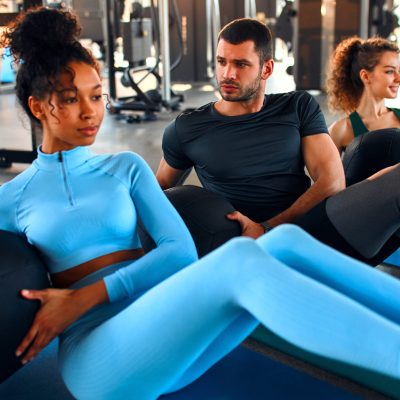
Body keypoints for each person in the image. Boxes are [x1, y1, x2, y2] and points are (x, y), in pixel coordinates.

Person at [3, 8, 400, 399]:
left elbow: (180, 254)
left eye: (96, 96)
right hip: (98, 349)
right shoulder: (12, 197)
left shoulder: (125, 166)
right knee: (243, 259)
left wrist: (82, 296)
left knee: (283, 245)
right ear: (39, 107)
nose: (91, 112)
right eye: (72, 99)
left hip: (165, 320)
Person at [156, 18, 345, 231]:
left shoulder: (297, 106)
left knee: (384, 150)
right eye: (221, 62)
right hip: (234, 241)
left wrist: (266, 229)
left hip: (300, 231)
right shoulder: (187, 127)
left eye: (241, 64)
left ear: (267, 69)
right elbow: (158, 192)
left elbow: (333, 181)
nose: (227, 74)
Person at [327, 36, 400, 154]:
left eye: (399, 71)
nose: (398, 78)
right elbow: (326, 173)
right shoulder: (340, 130)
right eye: (390, 71)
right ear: (365, 76)